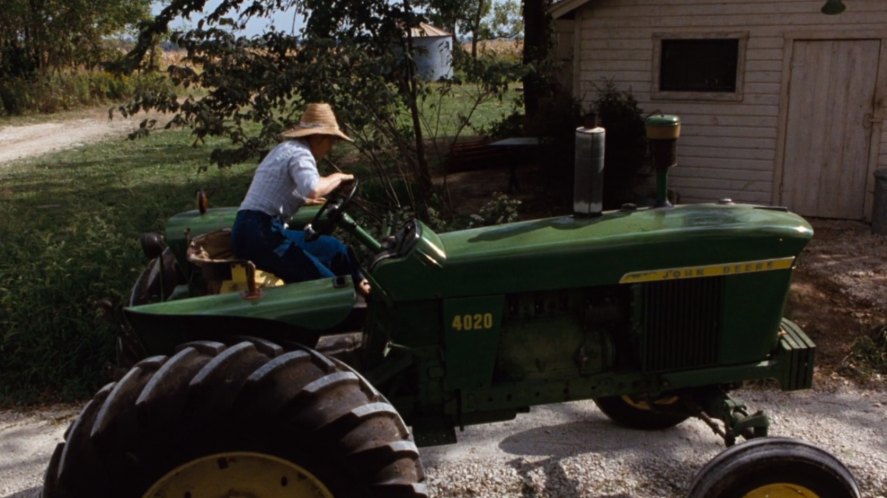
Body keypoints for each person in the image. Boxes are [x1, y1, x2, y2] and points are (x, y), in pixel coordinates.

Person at [231, 102, 369, 293]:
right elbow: (312, 188)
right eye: (331, 142)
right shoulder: (300, 153)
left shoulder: (286, 149)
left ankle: (363, 287)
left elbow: (285, 189)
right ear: (320, 137)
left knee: (336, 249)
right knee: (330, 287)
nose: (330, 148)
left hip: (257, 229)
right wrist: (337, 178)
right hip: (260, 234)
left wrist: (306, 200)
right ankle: (348, 310)